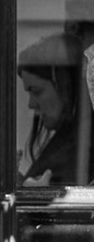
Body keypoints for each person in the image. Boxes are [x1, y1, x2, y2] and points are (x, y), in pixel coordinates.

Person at [18, 32, 85, 186]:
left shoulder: (81, 150)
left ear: (66, 86)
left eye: (36, 91)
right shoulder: (70, 142)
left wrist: (37, 197)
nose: (31, 104)